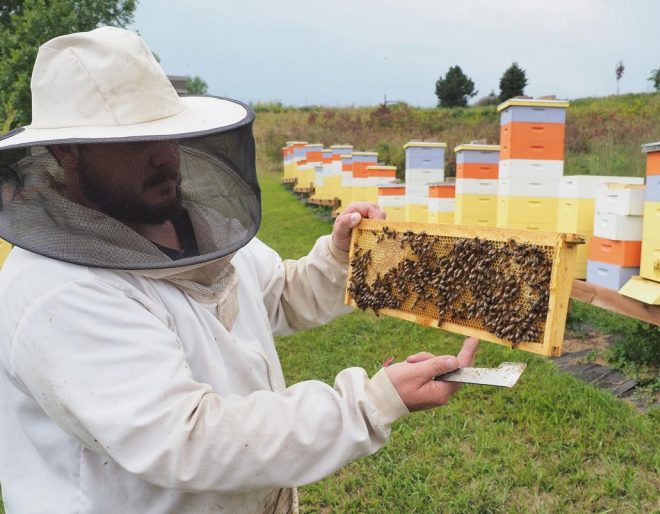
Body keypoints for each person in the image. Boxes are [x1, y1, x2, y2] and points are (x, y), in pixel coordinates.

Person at [0, 27, 479, 513]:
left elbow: (276, 295)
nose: (164, 157)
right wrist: (368, 403)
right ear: (68, 153)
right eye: (135, 142)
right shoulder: (52, 290)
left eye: (168, 134)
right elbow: (187, 438)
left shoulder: (193, 228)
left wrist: (338, 259)